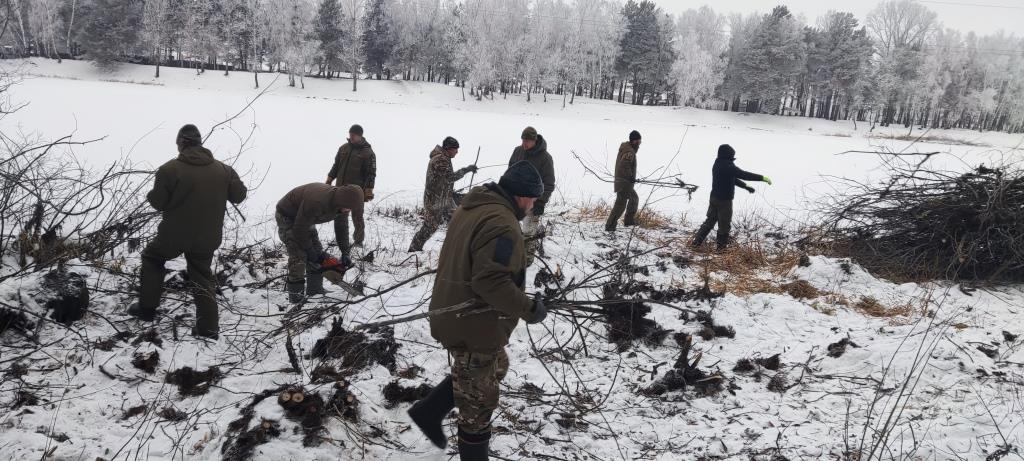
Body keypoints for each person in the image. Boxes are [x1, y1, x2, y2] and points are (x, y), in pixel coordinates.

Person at [408, 161, 549, 461]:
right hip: (473, 322)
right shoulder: (501, 223)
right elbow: (491, 282)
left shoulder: (476, 206)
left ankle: (429, 411)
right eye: (534, 198)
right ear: (522, 195)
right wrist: (528, 308)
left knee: (494, 365)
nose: (534, 204)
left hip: (454, 310)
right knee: (478, 407)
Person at [128, 124, 247, 340]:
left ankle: (147, 309)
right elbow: (239, 196)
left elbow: (158, 203)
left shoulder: (169, 170)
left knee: (153, 257)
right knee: (202, 274)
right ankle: (209, 328)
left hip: (173, 235)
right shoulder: (224, 169)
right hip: (208, 236)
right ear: (200, 143)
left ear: (182, 143)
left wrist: (151, 195)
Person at [276, 183, 363, 303]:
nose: (349, 211)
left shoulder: (342, 205)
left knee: (317, 252)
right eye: (348, 208)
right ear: (341, 201)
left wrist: (345, 252)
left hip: (305, 218)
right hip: (288, 216)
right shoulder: (317, 202)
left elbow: (342, 227)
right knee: (299, 255)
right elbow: (299, 229)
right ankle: (296, 297)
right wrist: (308, 249)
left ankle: (315, 290)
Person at [691, 144, 772, 250]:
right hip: (724, 201)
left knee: (710, 221)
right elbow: (743, 174)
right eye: (732, 155)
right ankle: (721, 250)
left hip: (714, 198)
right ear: (728, 155)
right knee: (724, 226)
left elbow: (732, 178)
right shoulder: (728, 165)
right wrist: (762, 178)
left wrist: (746, 186)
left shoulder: (718, 163)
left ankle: (696, 243)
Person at [409, 136, 478, 252]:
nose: (457, 152)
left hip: (445, 199)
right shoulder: (440, 160)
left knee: (457, 219)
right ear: (449, 148)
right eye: (456, 149)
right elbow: (449, 178)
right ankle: (414, 249)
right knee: (430, 226)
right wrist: (466, 169)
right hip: (434, 200)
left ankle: (458, 249)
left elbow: (443, 181)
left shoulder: (445, 158)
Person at [325, 124, 376, 255]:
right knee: (340, 215)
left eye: (354, 135)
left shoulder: (368, 153)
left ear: (360, 135)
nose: (351, 136)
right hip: (340, 189)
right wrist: (329, 179)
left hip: (357, 191)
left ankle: (358, 241)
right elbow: (336, 166)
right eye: (350, 134)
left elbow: (371, 173)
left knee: (357, 216)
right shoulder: (343, 148)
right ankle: (342, 240)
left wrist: (369, 189)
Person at [507, 126, 554, 265]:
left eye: (527, 141)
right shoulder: (517, 151)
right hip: (515, 198)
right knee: (510, 228)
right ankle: (512, 255)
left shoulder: (545, 158)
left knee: (529, 232)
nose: (524, 144)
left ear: (535, 141)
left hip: (532, 202)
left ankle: (527, 260)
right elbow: (509, 171)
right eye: (523, 140)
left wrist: (541, 202)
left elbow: (549, 183)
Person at [605, 130, 641, 231]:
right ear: (634, 141)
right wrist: (630, 177)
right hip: (624, 183)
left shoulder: (628, 149)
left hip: (624, 182)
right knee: (620, 205)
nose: (640, 144)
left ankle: (629, 221)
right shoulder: (629, 152)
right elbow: (623, 165)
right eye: (639, 141)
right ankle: (610, 226)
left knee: (634, 199)